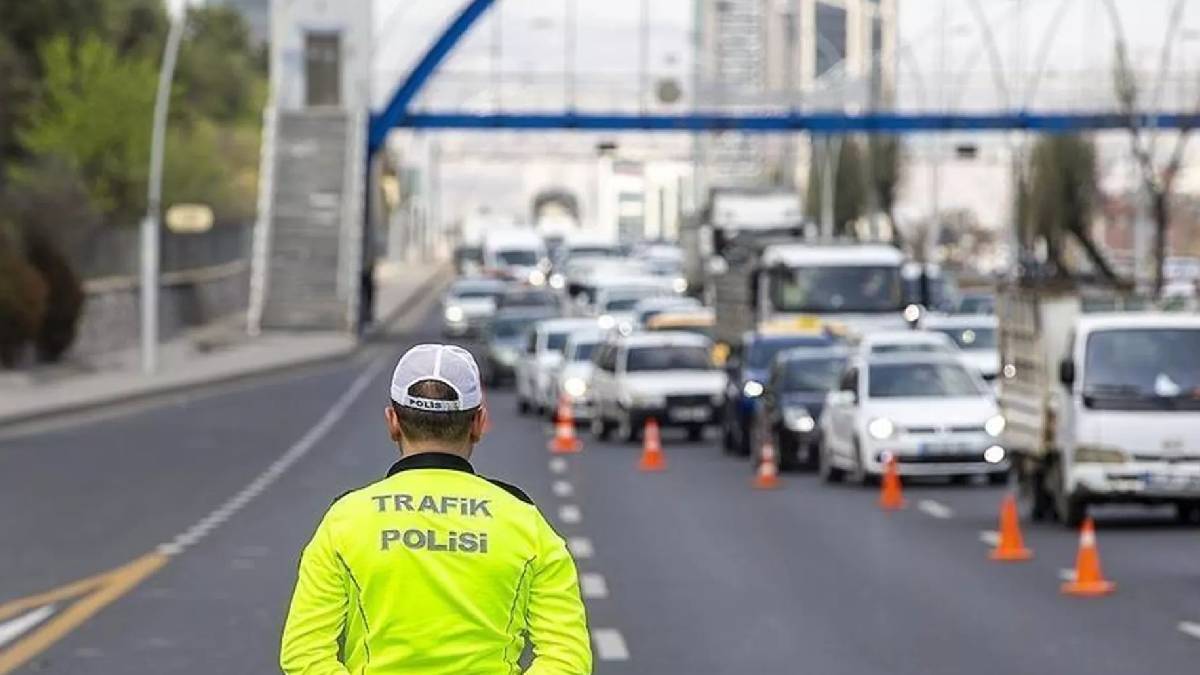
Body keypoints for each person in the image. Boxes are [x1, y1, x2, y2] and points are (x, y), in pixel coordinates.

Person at [280, 344, 592, 674]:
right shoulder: (525, 522)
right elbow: (567, 657)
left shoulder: (345, 520)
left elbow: (304, 653)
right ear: (479, 423)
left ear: (393, 422)